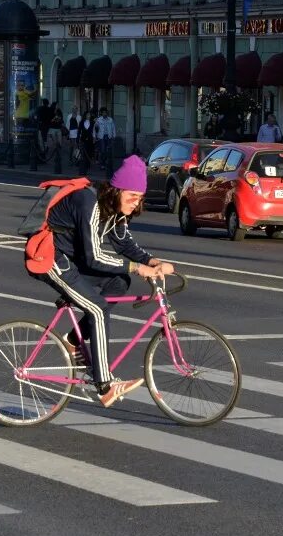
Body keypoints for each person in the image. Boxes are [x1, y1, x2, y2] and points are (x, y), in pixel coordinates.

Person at [31, 155, 175, 407]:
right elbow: (94, 257)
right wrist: (136, 267)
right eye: (132, 197)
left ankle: (73, 341)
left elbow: (123, 242)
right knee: (97, 309)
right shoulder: (89, 203)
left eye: (140, 198)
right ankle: (105, 386)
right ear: (116, 191)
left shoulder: (115, 209)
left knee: (118, 282)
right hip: (52, 259)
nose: (135, 203)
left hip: (75, 261)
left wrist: (151, 261)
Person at [77, 110, 95, 176]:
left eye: (89, 115)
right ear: (85, 115)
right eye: (87, 115)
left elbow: (94, 131)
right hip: (83, 139)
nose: (88, 116)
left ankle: (88, 165)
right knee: (83, 154)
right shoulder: (82, 122)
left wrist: (94, 138)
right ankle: (83, 167)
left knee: (89, 153)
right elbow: (79, 131)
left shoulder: (92, 122)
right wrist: (78, 139)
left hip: (90, 140)